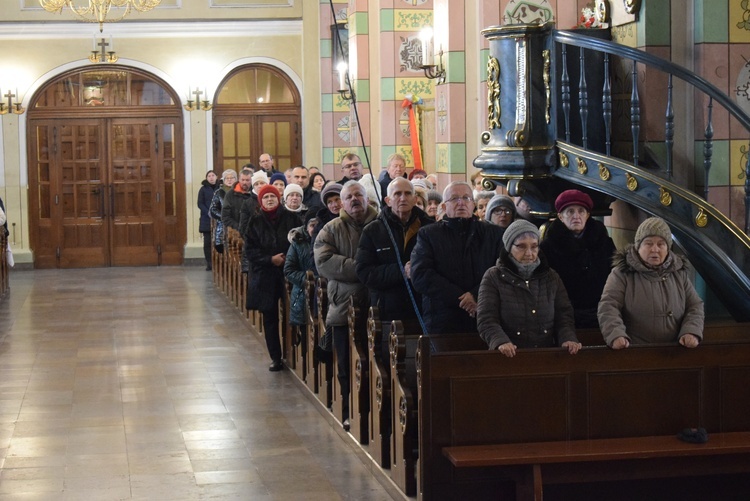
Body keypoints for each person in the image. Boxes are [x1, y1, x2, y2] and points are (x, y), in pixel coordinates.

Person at [314, 180, 378, 430]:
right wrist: (365, 269)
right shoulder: (331, 229)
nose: (354, 200)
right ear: (342, 202)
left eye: (358, 195)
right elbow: (325, 262)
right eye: (349, 197)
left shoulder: (380, 224)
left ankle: (375, 411)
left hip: (376, 303)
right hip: (343, 306)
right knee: (346, 364)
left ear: (367, 199)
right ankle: (349, 408)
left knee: (376, 362)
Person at [410, 181, 505, 334]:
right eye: (454, 199)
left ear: (473, 204)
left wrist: (475, 295)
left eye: (466, 198)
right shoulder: (428, 234)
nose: (461, 203)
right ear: (444, 207)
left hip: (485, 316)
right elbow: (421, 274)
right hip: (442, 318)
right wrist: (461, 299)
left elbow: (502, 270)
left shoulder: (493, 234)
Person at [477, 220, 581, 357]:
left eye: (534, 246)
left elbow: (564, 316)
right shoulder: (493, 277)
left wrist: (568, 339)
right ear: (509, 248)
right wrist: (500, 342)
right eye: (521, 246)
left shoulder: (551, 277)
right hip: (508, 356)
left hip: (547, 356)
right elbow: (487, 319)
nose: (529, 253)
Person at [598, 217, 704, 349]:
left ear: (668, 248)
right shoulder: (621, 274)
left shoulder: (679, 273)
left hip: (676, 351)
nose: (655, 249)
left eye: (661, 244)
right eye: (648, 243)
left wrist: (691, 331)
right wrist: (616, 335)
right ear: (638, 247)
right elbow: (608, 306)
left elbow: (695, 306)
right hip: (635, 351)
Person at [356, 177, 433, 358]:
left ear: (416, 199)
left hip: (423, 308)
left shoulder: (430, 228)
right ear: (388, 200)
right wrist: (401, 271)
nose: (403, 198)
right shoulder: (373, 230)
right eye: (397, 194)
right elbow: (364, 272)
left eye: (408, 193)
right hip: (388, 311)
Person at [244, 184, 301, 371]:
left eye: (273, 196)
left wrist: (286, 257)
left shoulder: (291, 218)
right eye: (266, 197)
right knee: (270, 317)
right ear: (261, 201)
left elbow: (299, 242)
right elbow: (250, 251)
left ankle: (295, 354)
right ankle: (275, 357)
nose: (269, 199)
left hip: (288, 272)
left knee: (293, 313)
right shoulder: (255, 222)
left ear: (279, 199)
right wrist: (270, 260)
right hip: (265, 275)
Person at [540, 189, 616, 328]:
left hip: (601, 313)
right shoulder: (548, 247)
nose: (576, 216)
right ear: (560, 216)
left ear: (587, 215)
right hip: (563, 315)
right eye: (570, 211)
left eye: (581, 211)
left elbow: (615, 278)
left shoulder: (604, 243)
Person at [284, 212, 318, 329]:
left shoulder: (328, 240)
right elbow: (289, 270)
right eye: (312, 225)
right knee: (305, 335)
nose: (315, 229)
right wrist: (310, 281)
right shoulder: (298, 243)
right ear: (306, 227)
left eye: (319, 225)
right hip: (302, 294)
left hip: (323, 294)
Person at [209, 169, 236, 253]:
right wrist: (224, 216)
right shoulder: (219, 192)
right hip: (223, 227)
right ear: (223, 180)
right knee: (223, 253)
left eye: (232, 178)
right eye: (227, 178)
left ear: (236, 179)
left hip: (237, 226)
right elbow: (213, 209)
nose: (229, 180)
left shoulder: (241, 192)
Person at [197, 170, 219, 270]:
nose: (211, 177)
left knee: (218, 241)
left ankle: (218, 261)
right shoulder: (203, 189)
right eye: (209, 176)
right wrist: (209, 212)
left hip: (219, 218)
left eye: (213, 175)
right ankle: (209, 262)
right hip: (207, 219)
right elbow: (200, 203)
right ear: (206, 178)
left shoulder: (220, 188)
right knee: (207, 242)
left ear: (216, 177)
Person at [221, 168, 254, 232]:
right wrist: (239, 227)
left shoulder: (255, 193)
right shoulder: (230, 194)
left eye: (247, 180)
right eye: (242, 180)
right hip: (236, 232)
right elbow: (225, 216)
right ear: (239, 179)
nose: (244, 182)